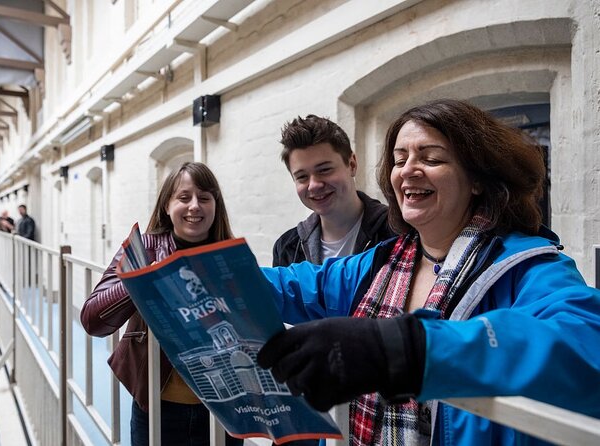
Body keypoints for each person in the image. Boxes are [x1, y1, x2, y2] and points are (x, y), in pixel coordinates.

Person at [256, 99, 600, 445]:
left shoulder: (526, 267)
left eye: (431, 158)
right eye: (399, 159)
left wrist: (409, 348)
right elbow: (293, 286)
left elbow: (585, 344)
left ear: (477, 179)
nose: (407, 170)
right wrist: (210, 272)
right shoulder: (381, 262)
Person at [81, 162, 243, 446]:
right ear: (167, 205)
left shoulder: (231, 255)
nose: (195, 206)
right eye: (184, 197)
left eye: (205, 198)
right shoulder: (144, 248)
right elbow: (92, 319)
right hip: (157, 405)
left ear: (216, 205)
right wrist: (144, 280)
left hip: (223, 409)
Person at [273, 114, 394, 267]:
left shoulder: (396, 231)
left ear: (352, 165)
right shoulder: (287, 248)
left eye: (324, 170)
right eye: (302, 176)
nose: (314, 185)